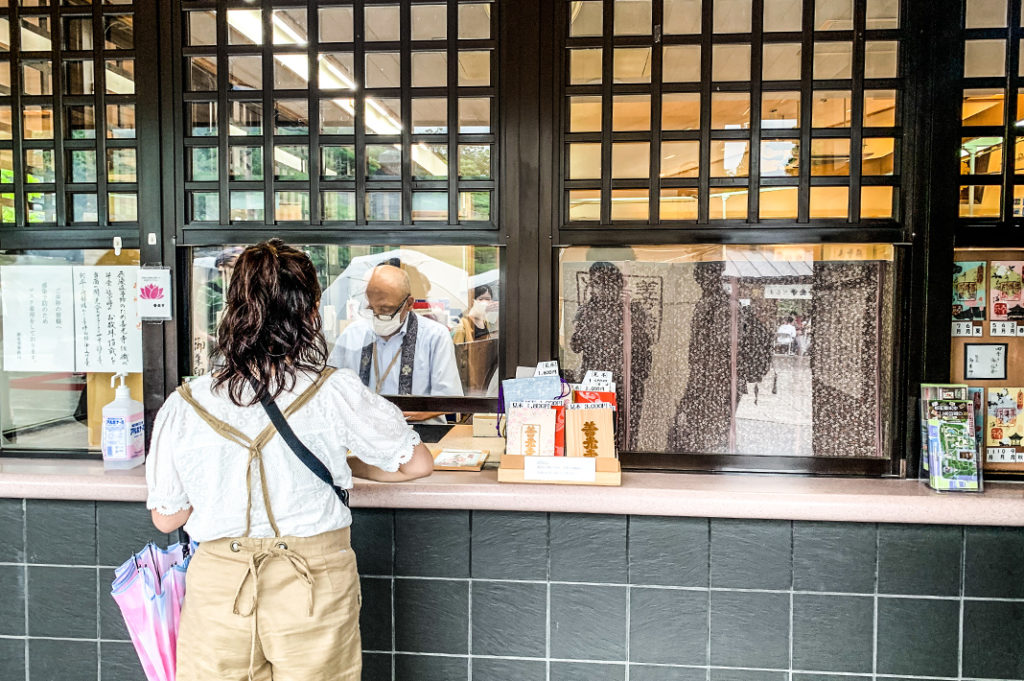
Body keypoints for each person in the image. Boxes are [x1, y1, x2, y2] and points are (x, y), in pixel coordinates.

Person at [145, 239, 434, 681]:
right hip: (313, 585)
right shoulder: (334, 391)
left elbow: (168, 519)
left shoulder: (186, 403)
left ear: (232, 309)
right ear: (311, 312)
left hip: (220, 589)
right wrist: (345, 464)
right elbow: (415, 464)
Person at [328, 264, 463, 422]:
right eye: (372, 309)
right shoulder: (352, 335)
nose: (377, 316)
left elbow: (450, 398)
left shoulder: (435, 336)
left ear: (409, 303)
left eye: (385, 310)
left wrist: (416, 411)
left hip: (421, 432)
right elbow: (330, 388)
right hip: (364, 433)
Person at [452, 285, 499, 396]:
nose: (485, 302)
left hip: (483, 380)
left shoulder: (487, 323)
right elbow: (456, 355)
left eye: (488, 299)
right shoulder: (462, 325)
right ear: (473, 301)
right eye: (481, 299)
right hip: (467, 382)